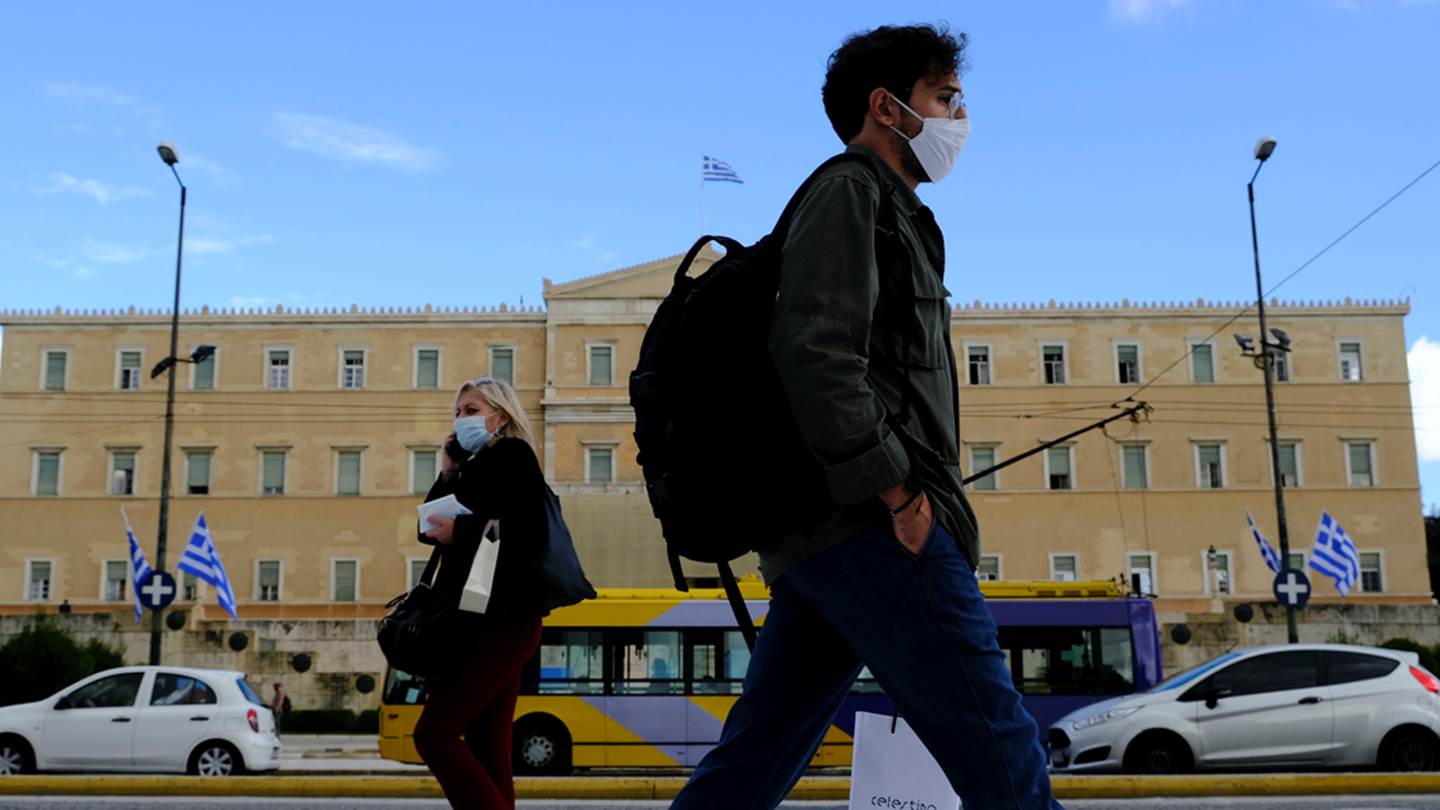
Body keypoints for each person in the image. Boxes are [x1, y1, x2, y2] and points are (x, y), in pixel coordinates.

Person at [671, 24, 1063, 810]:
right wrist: (898, 494)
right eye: (945, 98)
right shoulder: (851, 191)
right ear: (888, 107)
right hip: (872, 525)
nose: (960, 119)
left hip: (828, 535)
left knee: (751, 767)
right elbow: (816, 351)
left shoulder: (897, 210)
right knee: (1001, 749)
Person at [413, 375, 548, 809]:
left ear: (500, 415)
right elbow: (429, 531)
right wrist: (447, 473)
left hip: (504, 619)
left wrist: (462, 530)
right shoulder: (474, 467)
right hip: (483, 615)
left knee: (434, 735)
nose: (461, 420)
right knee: (488, 745)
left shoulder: (512, 454)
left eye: (471, 411)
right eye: (457, 413)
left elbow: (527, 530)